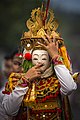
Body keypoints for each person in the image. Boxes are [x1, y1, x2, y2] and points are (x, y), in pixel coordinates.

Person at [1, 2, 77, 120]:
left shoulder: (56, 81)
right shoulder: (17, 79)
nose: (39, 62)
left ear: (50, 61)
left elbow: (70, 88)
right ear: (29, 59)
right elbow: (8, 111)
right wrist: (25, 80)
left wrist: (56, 56)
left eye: (45, 58)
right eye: (35, 58)